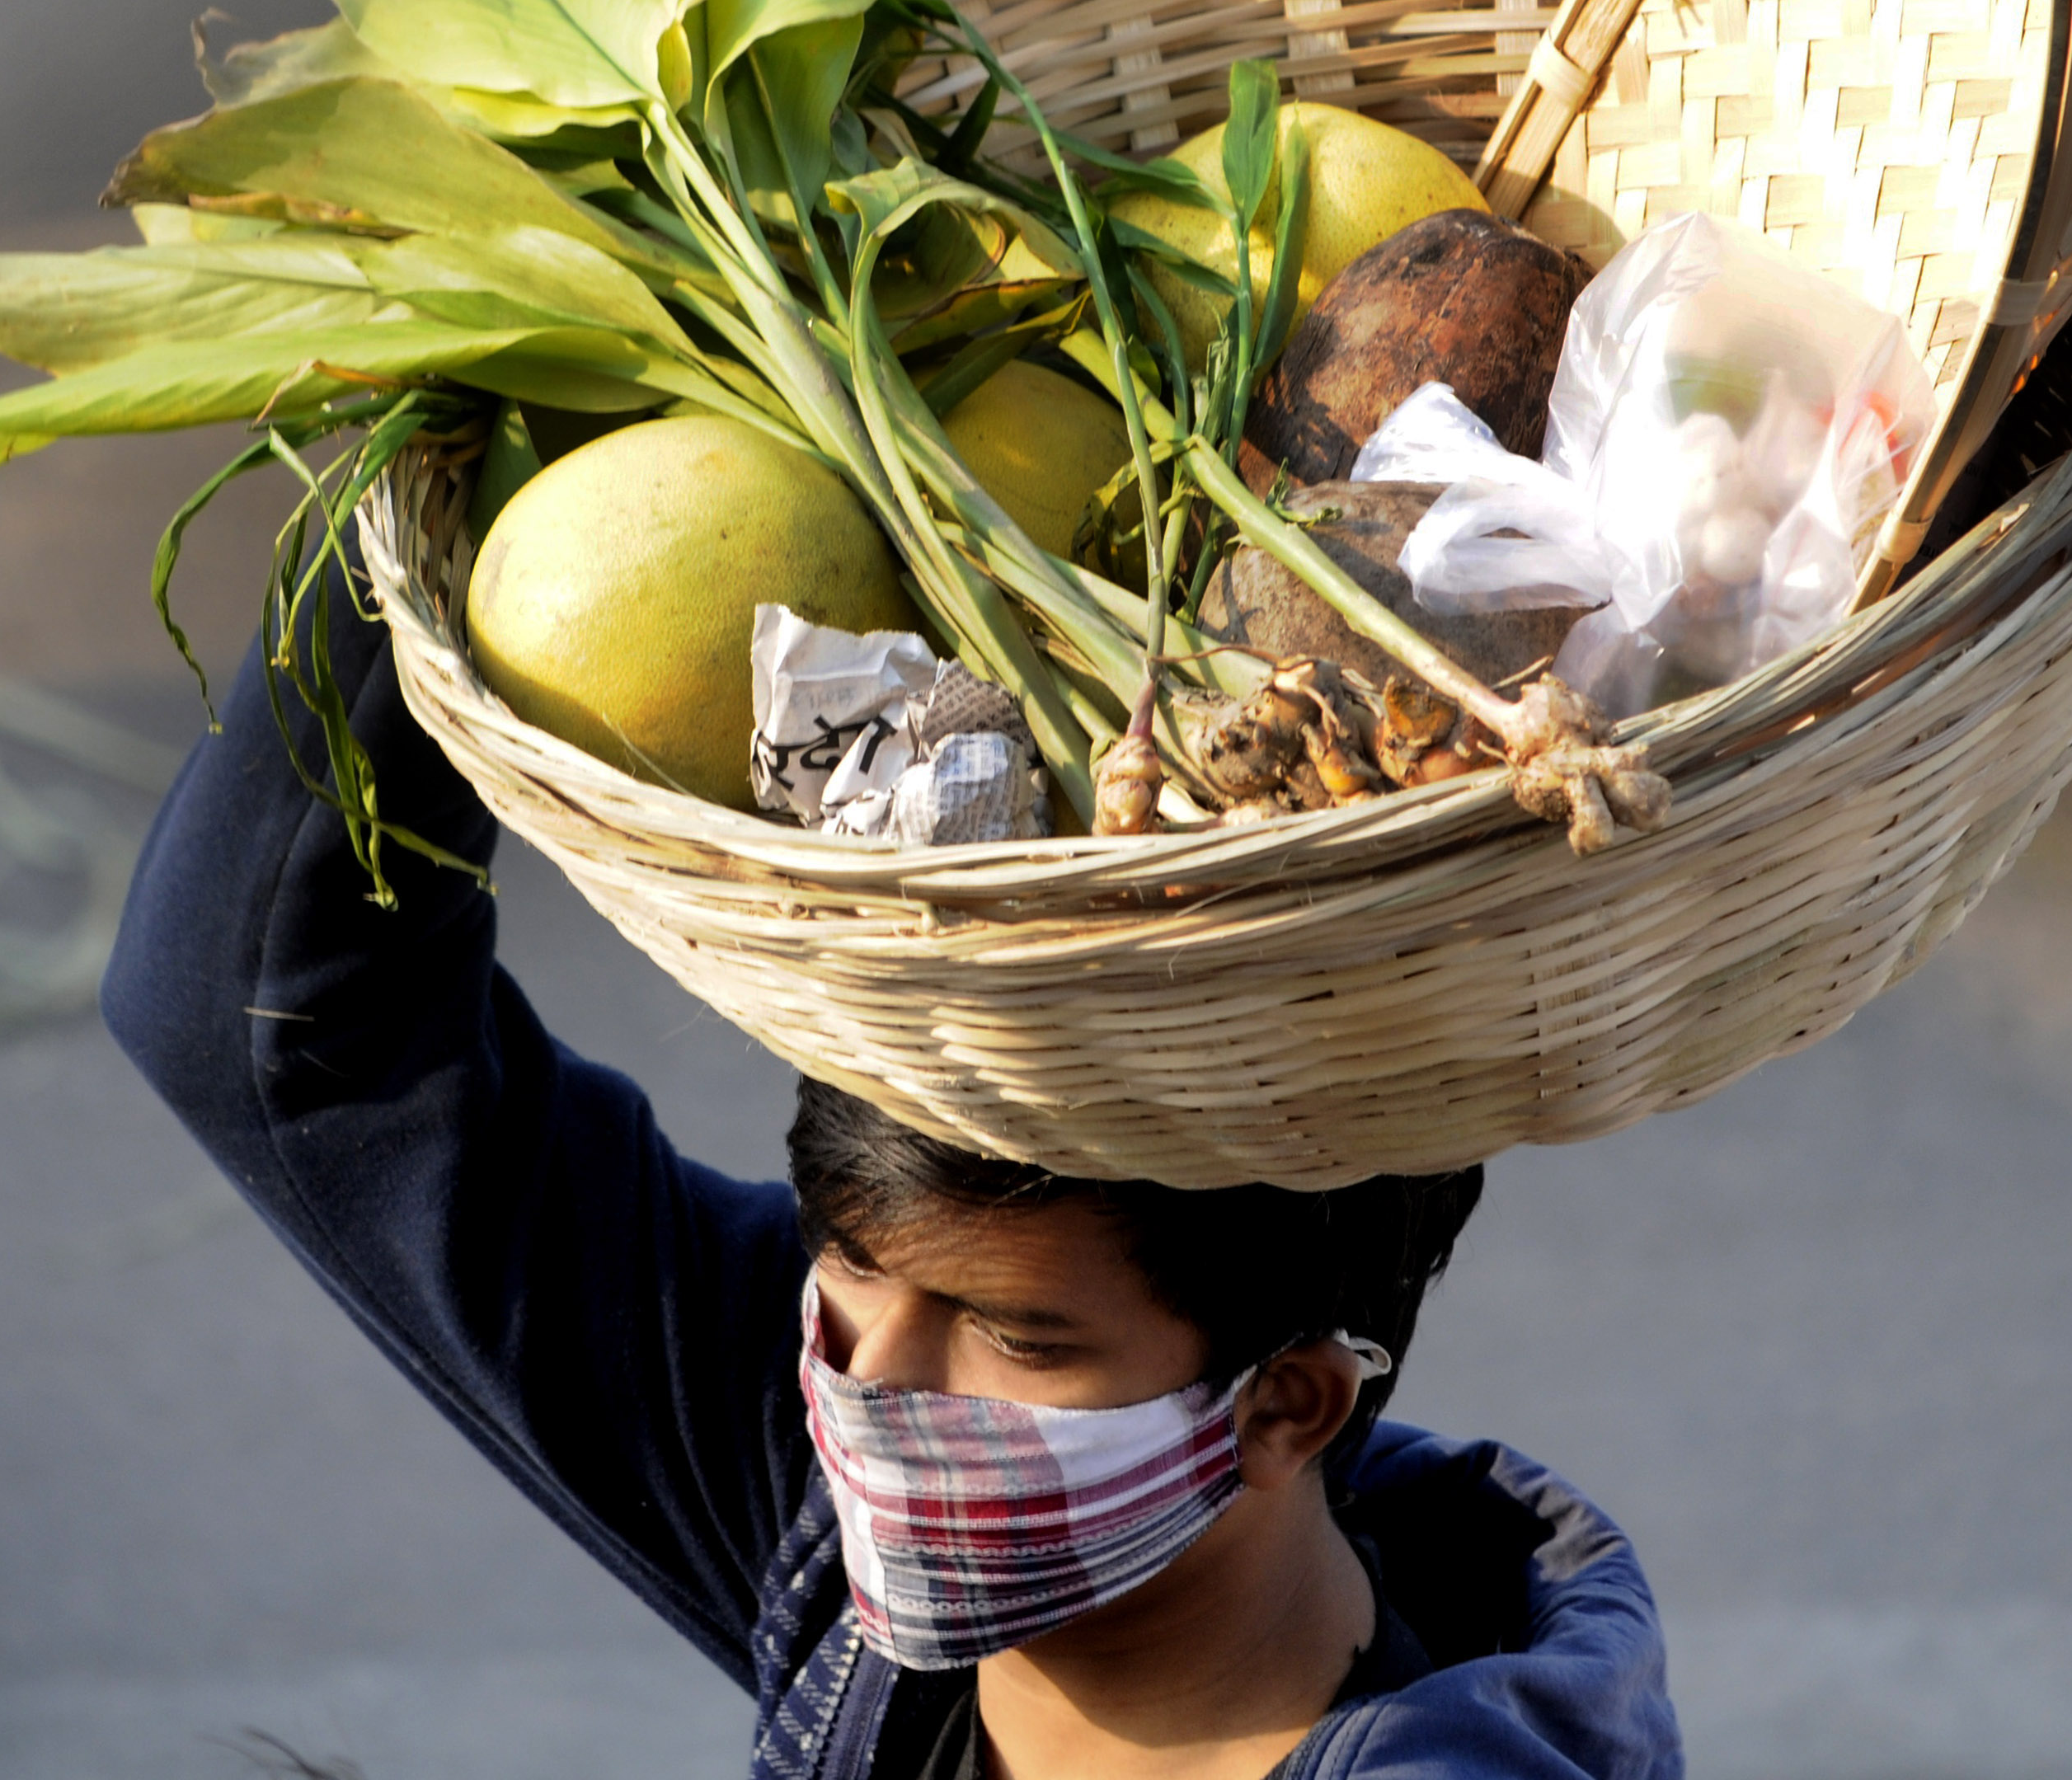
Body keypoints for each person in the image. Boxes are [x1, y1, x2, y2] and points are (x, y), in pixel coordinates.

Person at [101, 586, 1681, 1778]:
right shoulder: (829, 1527)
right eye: (850, 1260)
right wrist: (440, 471)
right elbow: (263, 1028)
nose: (872, 1400)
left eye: (1021, 1341)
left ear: (1287, 1407)